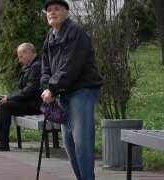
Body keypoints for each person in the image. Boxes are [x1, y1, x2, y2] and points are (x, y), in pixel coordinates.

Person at [41, 1, 103, 179]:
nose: (52, 12)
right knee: (69, 144)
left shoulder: (75, 31)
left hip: (81, 92)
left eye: (57, 9)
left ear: (66, 12)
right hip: (62, 93)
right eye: (49, 10)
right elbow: (46, 67)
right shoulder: (51, 35)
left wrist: (52, 88)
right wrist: (46, 87)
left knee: (82, 143)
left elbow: (71, 66)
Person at [0, 43, 42, 152]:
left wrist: (9, 98)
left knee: (5, 105)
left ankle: (3, 142)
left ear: (29, 53)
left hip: (35, 104)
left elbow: (29, 91)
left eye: (21, 57)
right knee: (0, 102)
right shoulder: (30, 66)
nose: (19, 60)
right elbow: (23, 89)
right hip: (29, 101)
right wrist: (9, 97)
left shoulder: (37, 66)